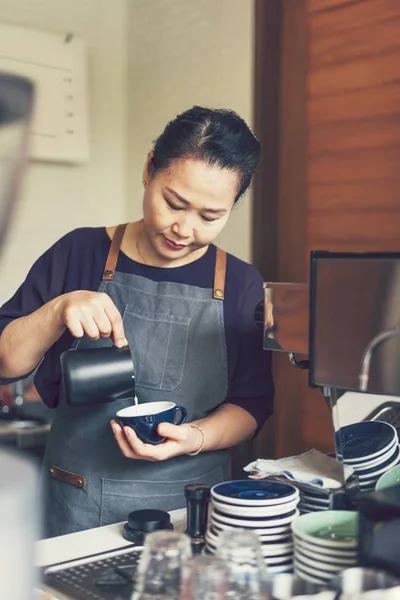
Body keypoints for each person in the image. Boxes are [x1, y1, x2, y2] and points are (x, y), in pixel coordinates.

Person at [0, 106, 274, 538]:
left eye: (210, 216)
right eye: (174, 203)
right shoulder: (80, 251)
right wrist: (58, 310)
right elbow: (6, 362)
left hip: (191, 513)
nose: (183, 229)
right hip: (77, 503)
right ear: (149, 169)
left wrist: (195, 437)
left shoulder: (241, 283)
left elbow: (252, 404)